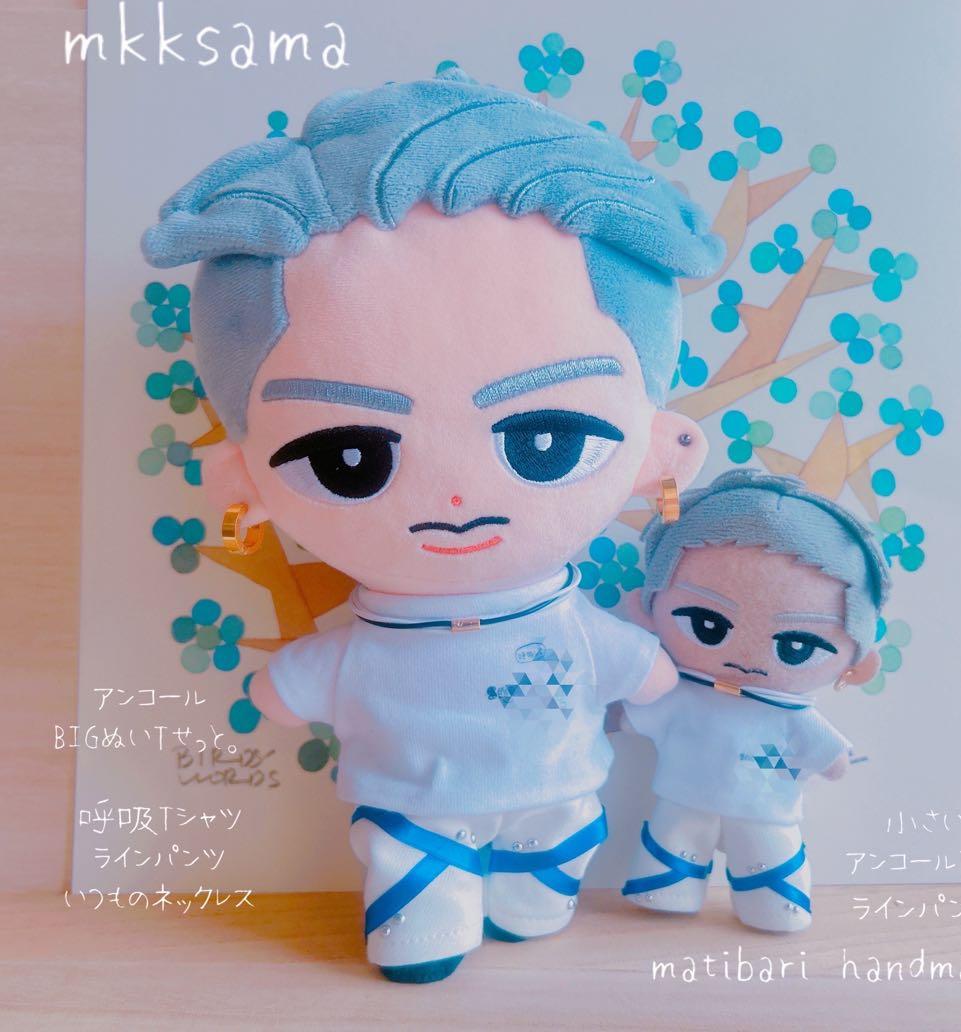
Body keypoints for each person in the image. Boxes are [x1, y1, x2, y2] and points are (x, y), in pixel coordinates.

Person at [142, 67, 722, 982]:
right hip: (410, 810)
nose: (455, 502)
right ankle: (431, 921)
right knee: (417, 894)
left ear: (660, 450)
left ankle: (529, 901)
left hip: (558, 798)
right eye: (350, 458)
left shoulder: (566, 622)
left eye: (545, 440)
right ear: (243, 480)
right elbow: (642, 677)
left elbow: (638, 671)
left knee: (544, 879)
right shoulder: (376, 640)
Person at [621, 469, 889, 931]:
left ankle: (773, 905)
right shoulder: (685, 693)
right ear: (647, 610)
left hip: (765, 808)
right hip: (686, 797)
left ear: (857, 661)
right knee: (677, 839)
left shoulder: (791, 713)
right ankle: (669, 891)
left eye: (797, 646)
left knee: (767, 854)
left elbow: (828, 753)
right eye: (707, 624)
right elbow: (634, 716)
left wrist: (835, 759)